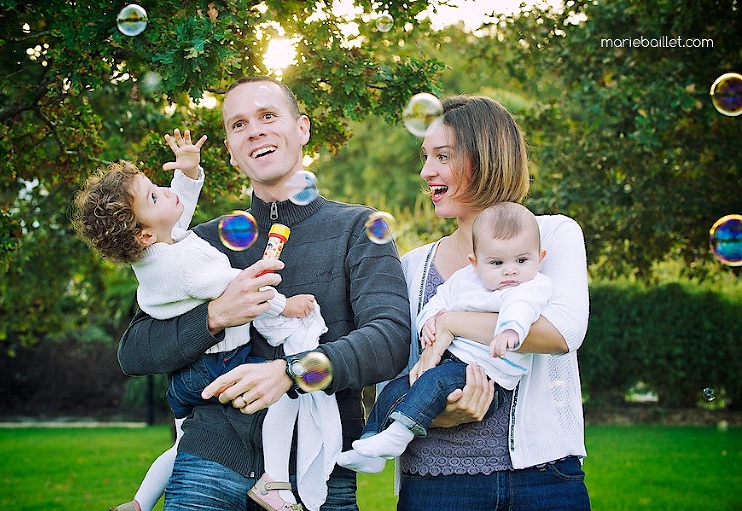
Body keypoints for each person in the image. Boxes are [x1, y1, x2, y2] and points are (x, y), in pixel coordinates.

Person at [116, 76, 412, 511]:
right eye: (239, 125)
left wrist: (291, 373)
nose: (254, 130)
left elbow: (389, 339)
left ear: (302, 129)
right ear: (233, 155)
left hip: (316, 477)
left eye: (268, 116)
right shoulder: (199, 243)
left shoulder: (357, 230)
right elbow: (135, 351)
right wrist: (214, 316)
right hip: (208, 463)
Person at [72, 129, 337, 511]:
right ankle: (272, 482)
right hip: (218, 364)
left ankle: (138, 503)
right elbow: (243, 289)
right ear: (145, 233)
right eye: (153, 195)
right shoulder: (184, 263)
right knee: (286, 387)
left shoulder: (156, 249)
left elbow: (178, 207)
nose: (165, 191)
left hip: (186, 377)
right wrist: (287, 305)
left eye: (157, 185)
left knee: (181, 445)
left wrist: (188, 172)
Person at [388, 95, 591, 510]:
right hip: (435, 483)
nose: (427, 172)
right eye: (425, 157)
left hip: (544, 478)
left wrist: (452, 323)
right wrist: (428, 412)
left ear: (487, 157)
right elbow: (396, 376)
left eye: (442, 156)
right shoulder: (412, 266)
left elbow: (561, 332)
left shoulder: (552, 235)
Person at [337, 201, 551, 472]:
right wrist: (429, 321)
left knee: (435, 381)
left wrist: (509, 331)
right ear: (475, 262)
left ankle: (398, 436)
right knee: (396, 388)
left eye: (522, 260)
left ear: (539, 258)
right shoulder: (466, 280)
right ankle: (371, 445)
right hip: (450, 364)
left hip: (488, 377)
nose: (510, 270)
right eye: (496, 262)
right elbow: (440, 301)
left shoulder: (530, 285)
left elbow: (522, 309)